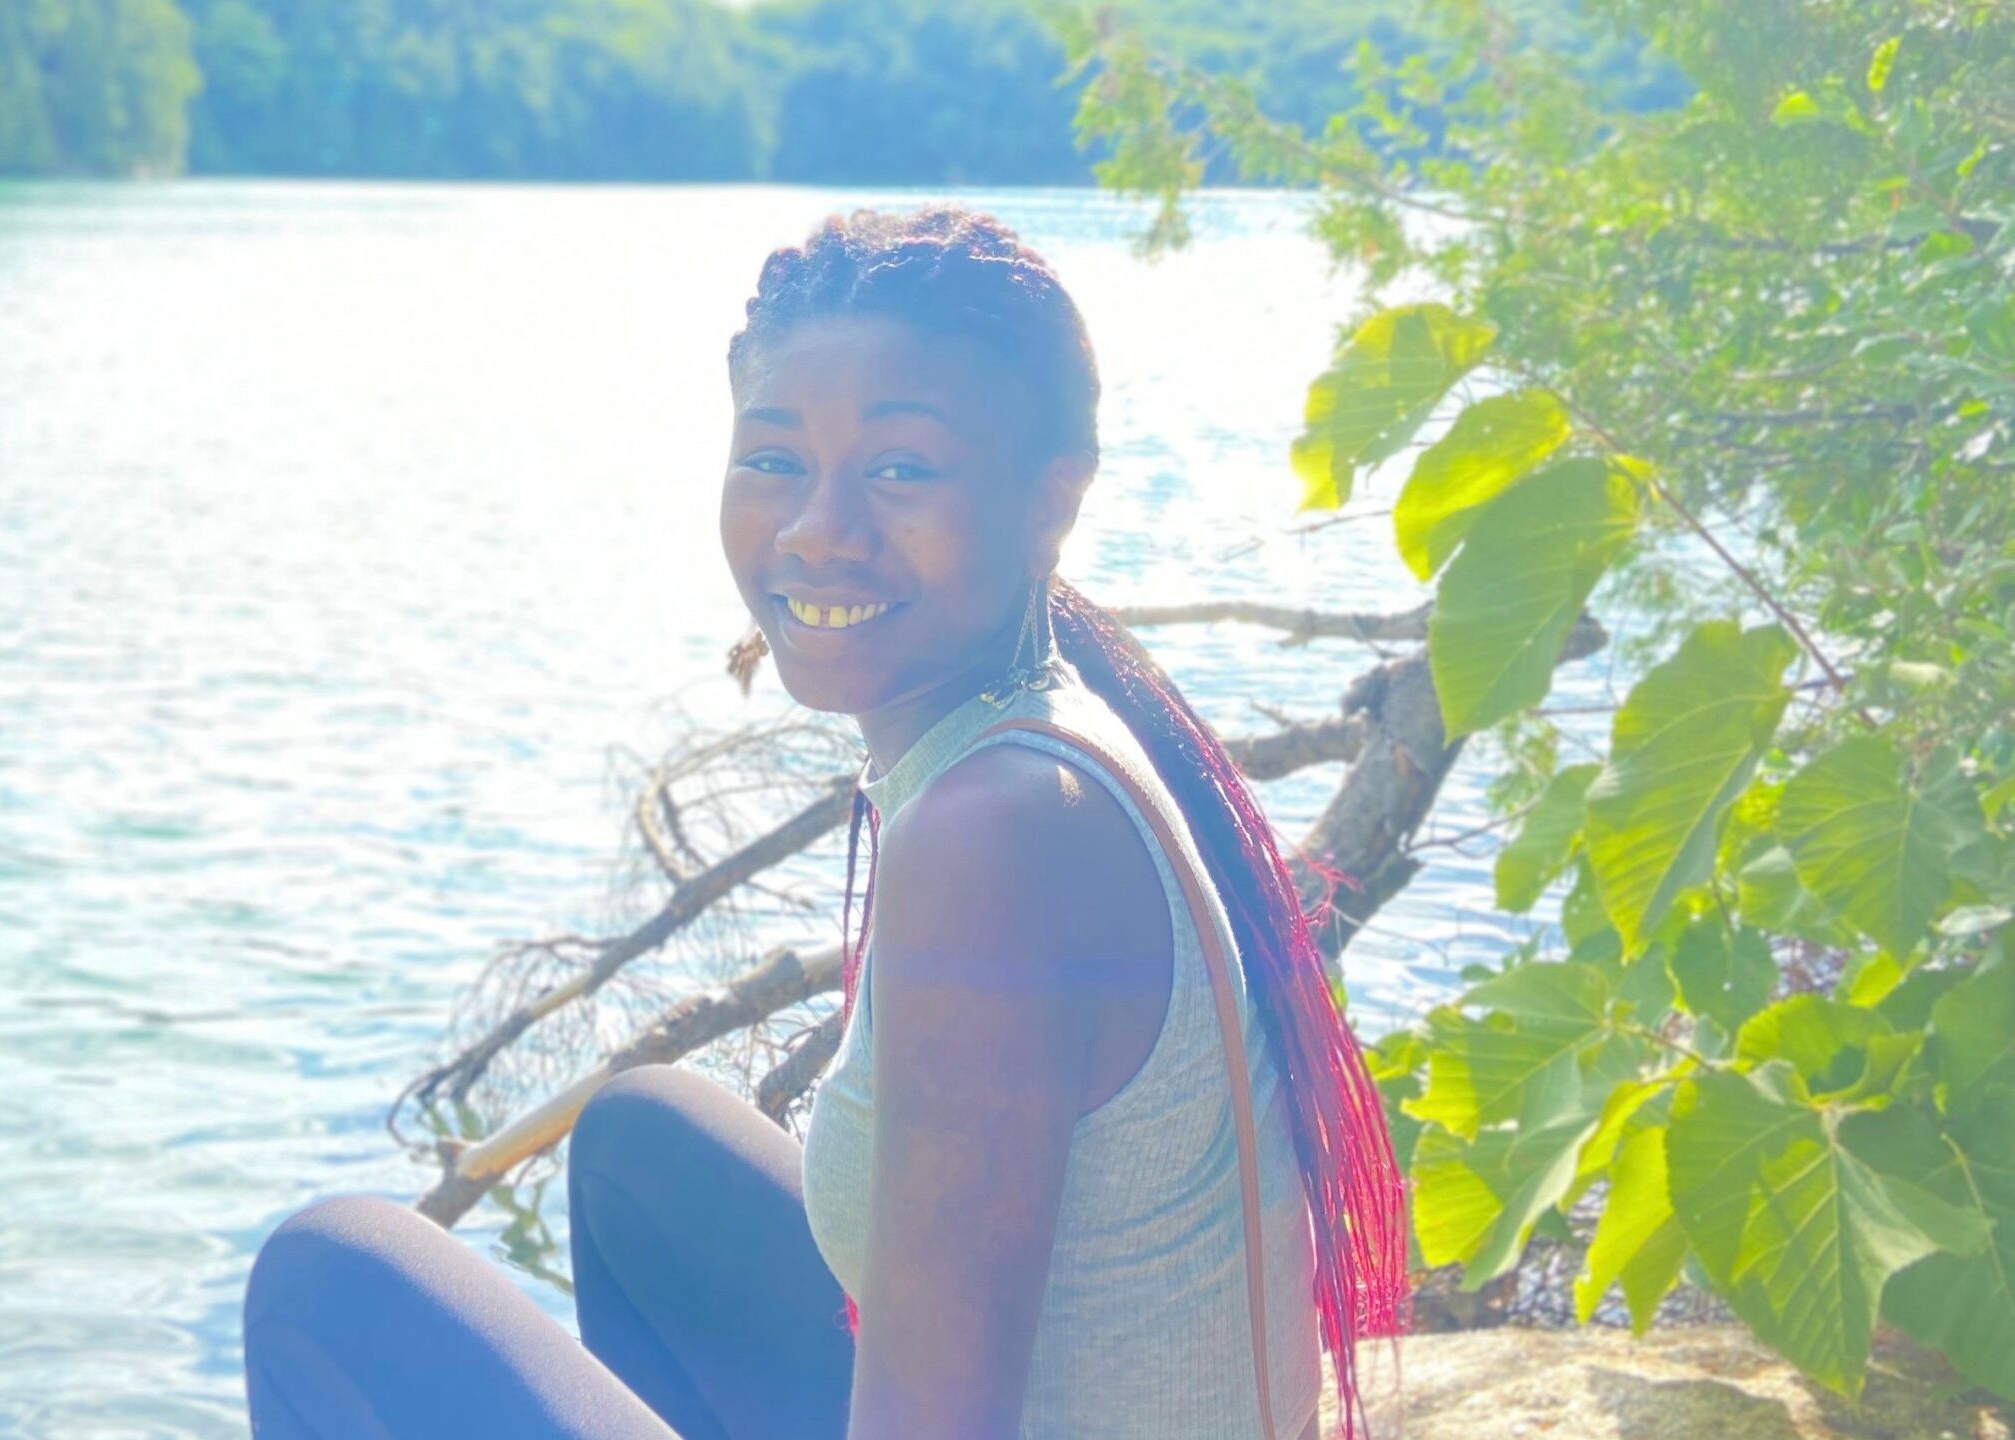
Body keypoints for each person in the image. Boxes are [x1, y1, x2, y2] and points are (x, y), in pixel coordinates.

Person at [241, 204, 1405, 1440]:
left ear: (1048, 505)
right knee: (646, 1146)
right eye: (775, 461)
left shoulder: (1000, 832)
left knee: (335, 1282)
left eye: (900, 471)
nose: (816, 530)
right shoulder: (1041, 737)